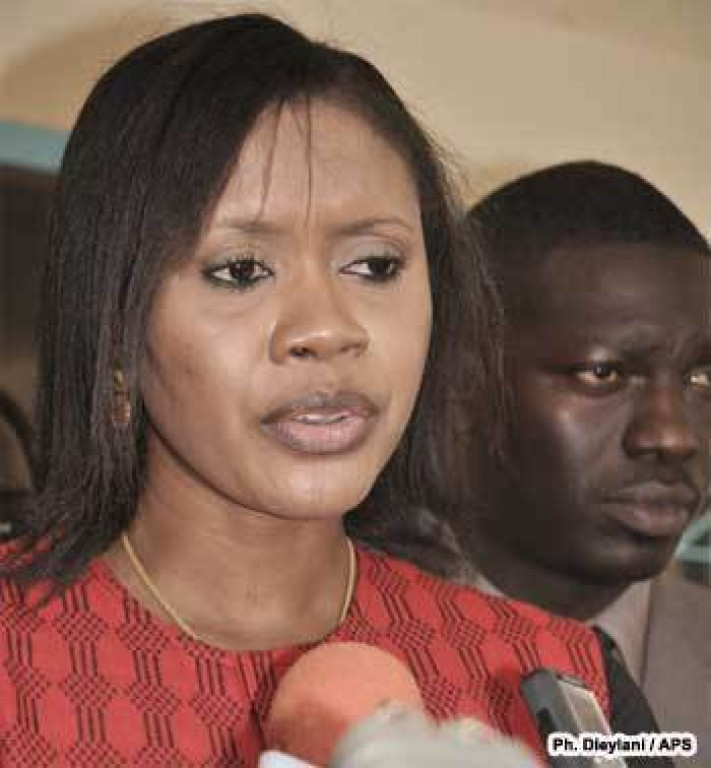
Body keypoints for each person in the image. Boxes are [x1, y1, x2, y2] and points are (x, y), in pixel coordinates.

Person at [0, 18, 665, 766]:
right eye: (241, 271)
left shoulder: (569, 687)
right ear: (114, 323)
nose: (326, 329)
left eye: (375, 266)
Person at [459, 161, 711, 758]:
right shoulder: (319, 647)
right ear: (457, 380)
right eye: (603, 373)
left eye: (702, 379)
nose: (673, 436)